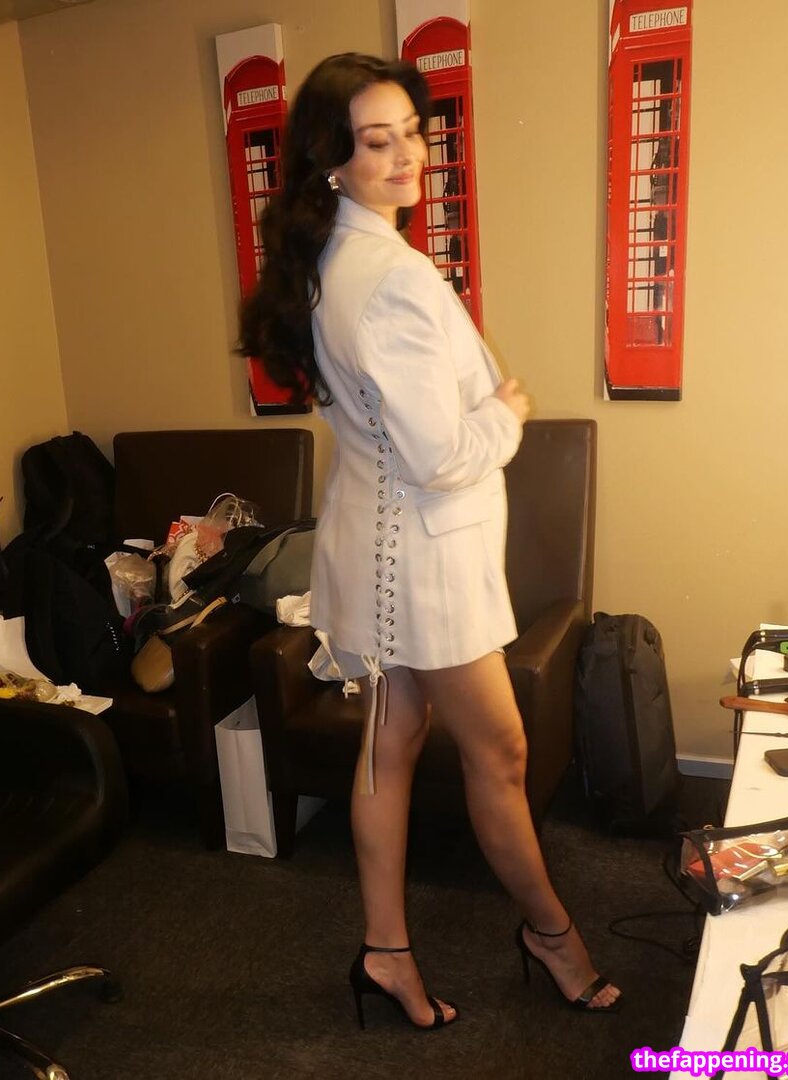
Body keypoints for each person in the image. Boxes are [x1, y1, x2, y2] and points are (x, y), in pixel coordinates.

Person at [239, 52, 620, 1028]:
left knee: (390, 739)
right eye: (378, 141)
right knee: (499, 753)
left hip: (375, 541)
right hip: (421, 553)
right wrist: (505, 413)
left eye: (411, 131)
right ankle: (551, 937)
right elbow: (441, 455)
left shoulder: (328, 260)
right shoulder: (392, 278)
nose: (407, 154)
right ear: (332, 160)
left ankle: (385, 952)